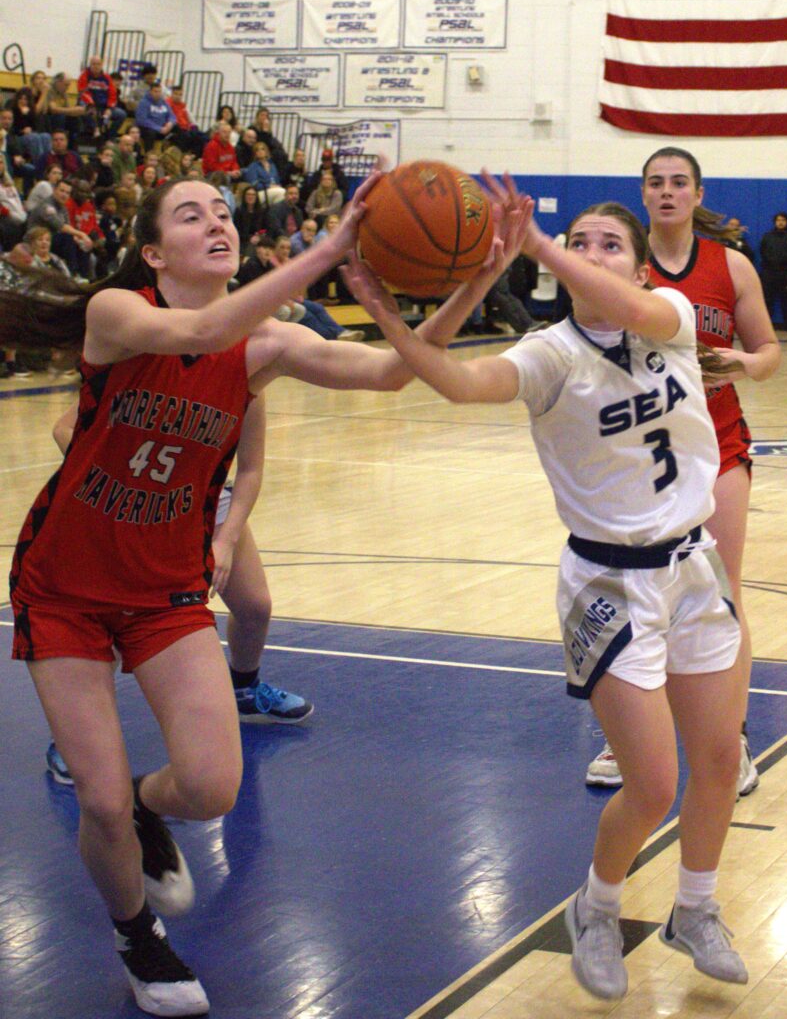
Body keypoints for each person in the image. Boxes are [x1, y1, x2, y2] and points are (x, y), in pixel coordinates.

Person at [2, 172, 518, 1015]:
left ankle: (140, 807)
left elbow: (394, 373)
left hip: (165, 588)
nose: (216, 222)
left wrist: (476, 279)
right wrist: (325, 248)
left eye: (224, 212)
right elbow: (204, 326)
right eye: (190, 213)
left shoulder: (266, 345)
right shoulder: (115, 312)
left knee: (209, 788)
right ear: (152, 251)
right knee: (89, 795)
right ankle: (139, 938)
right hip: (64, 584)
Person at [350, 174, 749, 1001]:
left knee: (718, 758)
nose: (591, 254)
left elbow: (632, 307)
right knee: (651, 785)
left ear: (641, 272)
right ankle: (596, 910)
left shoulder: (670, 322)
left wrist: (537, 243)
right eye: (582, 243)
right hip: (608, 583)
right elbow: (458, 382)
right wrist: (398, 310)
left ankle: (696, 908)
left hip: (694, 564)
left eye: (611, 245)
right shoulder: (550, 356)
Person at [586, 148, 781, 797]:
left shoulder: (733, 266)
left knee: (723, 593)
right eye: (655, 183)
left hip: (719, 445)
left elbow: (770, 350)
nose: (667, 192)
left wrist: (744, 363)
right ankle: (631, 740)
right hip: (643, 453)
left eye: (679, 183)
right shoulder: (621, 268)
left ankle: (734, 732)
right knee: (638, 595)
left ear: (698, 195)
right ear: (642, 194)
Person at [45, 393, 314, 785]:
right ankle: (72, 737)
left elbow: (250, 471)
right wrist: (115, 479)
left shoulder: (248, 379)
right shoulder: (149, 364)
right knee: (117, 626)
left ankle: (244, 689)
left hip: (204, 501)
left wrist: (226, 541)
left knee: (255, 606)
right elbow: (64, 428)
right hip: (130, 505)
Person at [270, 234, 363, 340]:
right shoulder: (272, 264)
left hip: (296, 299)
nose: (285, 251)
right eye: (282, 247)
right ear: (275, 249)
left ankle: (341, 331)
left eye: (288, 248)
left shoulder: (289, 262)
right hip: (283, 301)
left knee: (318, 308)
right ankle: (332, 337)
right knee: (308, 316)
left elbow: (300, 285)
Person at [759, 212, 787, 331]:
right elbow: (762, 251)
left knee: (786, 301)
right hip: (769, 273)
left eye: (783, 220)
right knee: (768, 300)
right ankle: (766, 325)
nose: (780, 222)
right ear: (775, 222)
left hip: (786, 274)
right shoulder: (767, 236)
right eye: (778, 220)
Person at [77, 55, 127, 138]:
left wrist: (109, 108)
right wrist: (91, 104)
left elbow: (112, 94)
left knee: (122, 114)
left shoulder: (107, 78)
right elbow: (83, 92)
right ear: (90, 65)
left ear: (101, 65)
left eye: (98, 64)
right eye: (94, 64)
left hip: (104, 107)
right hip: (88, 104)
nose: (96, 66)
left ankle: (110, 136)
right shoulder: (84, 76)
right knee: (85, 108)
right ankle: (95, 128)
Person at [135, 83, 177, 151]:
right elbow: (142, 120)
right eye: (155, 91)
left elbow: (172, 115)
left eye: (159, 91)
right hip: (149, 128)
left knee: (178, 129)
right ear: (150, 92)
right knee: (150, 133)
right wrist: (159, 128)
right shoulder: (143, 102)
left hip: (163, 128)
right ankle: (148, 153)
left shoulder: (163, 102)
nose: (158, 94)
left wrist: (170, 123)